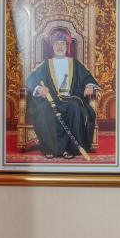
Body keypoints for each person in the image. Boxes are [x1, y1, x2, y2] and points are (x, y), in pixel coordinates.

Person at [25, 30, 100, 159]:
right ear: (52, 46)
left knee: (74, 108)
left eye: (62, 44)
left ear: (67, 46)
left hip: (71, 98)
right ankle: (51, 149)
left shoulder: (74, 63)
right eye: (56, 44)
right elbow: (31, 80)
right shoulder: (46, 64)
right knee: (44, 109)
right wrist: (38, 89)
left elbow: (87, 78)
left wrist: (89, 86)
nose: (59, 47)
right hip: (51, 99)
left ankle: (71, 149)